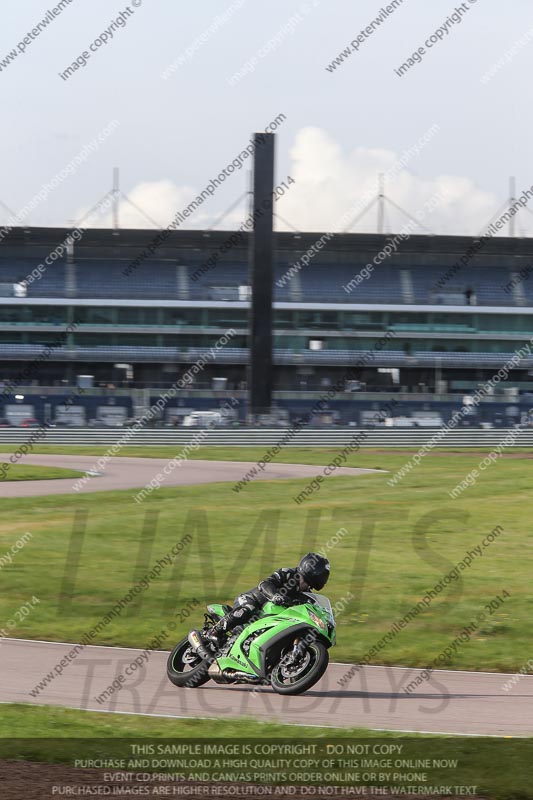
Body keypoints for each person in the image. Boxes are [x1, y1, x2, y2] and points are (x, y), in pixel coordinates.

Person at [189, 553, 330, 657]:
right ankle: (214, 632)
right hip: (253, 600)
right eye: (322, 574)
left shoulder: (307, 595)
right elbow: (264, 584)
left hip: (271, 617)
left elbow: (309, 609)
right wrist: (274, 595)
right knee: (248, 609)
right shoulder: (287, 574)